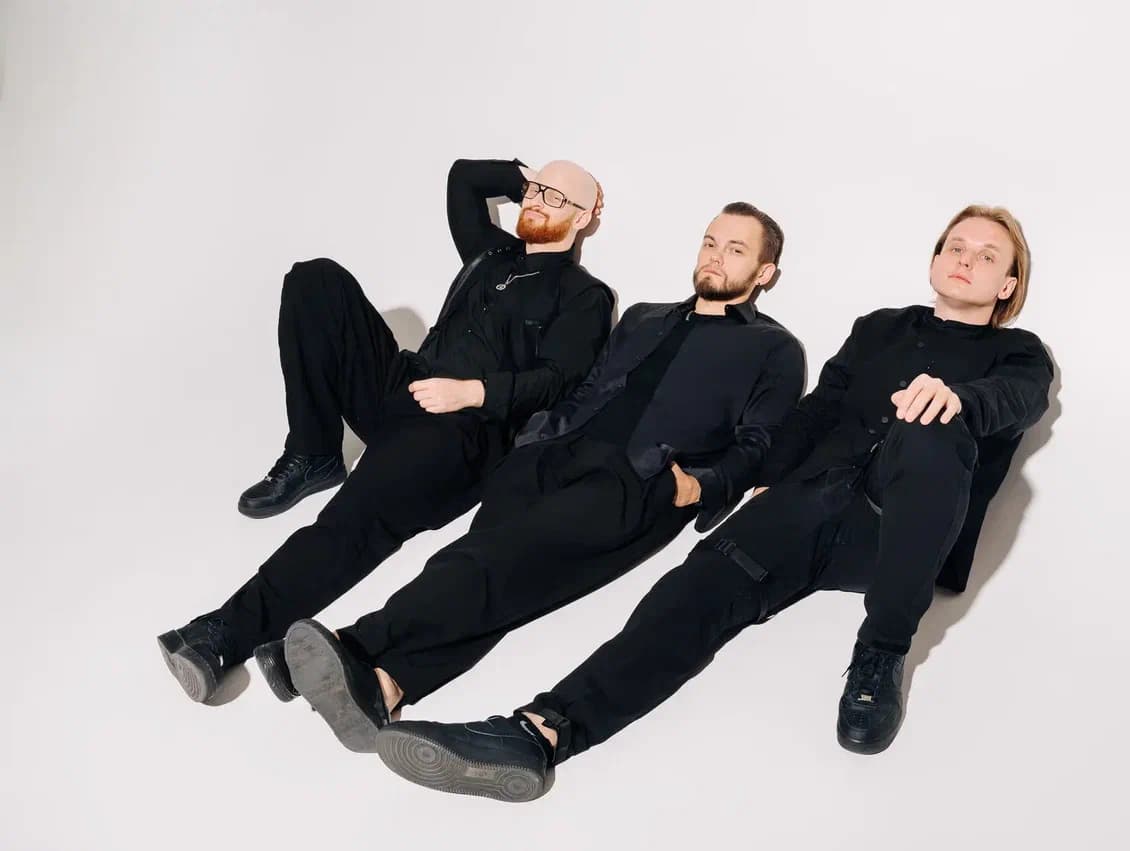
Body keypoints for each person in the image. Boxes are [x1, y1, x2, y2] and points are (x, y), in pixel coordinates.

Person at [366, 204, 1055, 803]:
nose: (966, 260)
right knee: (684, 599)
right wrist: (761, 479)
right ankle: (539, 733)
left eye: (986, 256)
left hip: (894, 530)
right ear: (934, 260)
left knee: (931, 430)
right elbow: (820, 409)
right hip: (803, 505)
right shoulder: (878, 327)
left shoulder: (1020, 355)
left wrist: (957, 399)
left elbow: (1016, 400)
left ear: (1007, 285)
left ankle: (881, 653)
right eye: (956, 246)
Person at [280, 202, 806, 757]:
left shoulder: (774, 349)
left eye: (735, 249)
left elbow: (759, 443)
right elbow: (590, 387)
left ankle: (355, 645)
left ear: (764, 272)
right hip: (549, 454)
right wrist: (534, 439)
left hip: (637, 480)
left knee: (483, 563)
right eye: (710, 242)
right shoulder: (644, 317)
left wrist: (699, 486)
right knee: (502, 579)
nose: (715, 257)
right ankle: (387, 687)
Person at [158, 157, 613, 704]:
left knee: (348, 524)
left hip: (461, 431)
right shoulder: (492, 253)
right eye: (536, 191)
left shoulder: (585, 295)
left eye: (558, 199)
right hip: (405, 385)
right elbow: (463, 177)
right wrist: (530, 182)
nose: (538, 202)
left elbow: (561, 380)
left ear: (585, 216)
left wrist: (472, 392)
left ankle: (221, 636)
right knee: (316, 279)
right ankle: (314, 453)